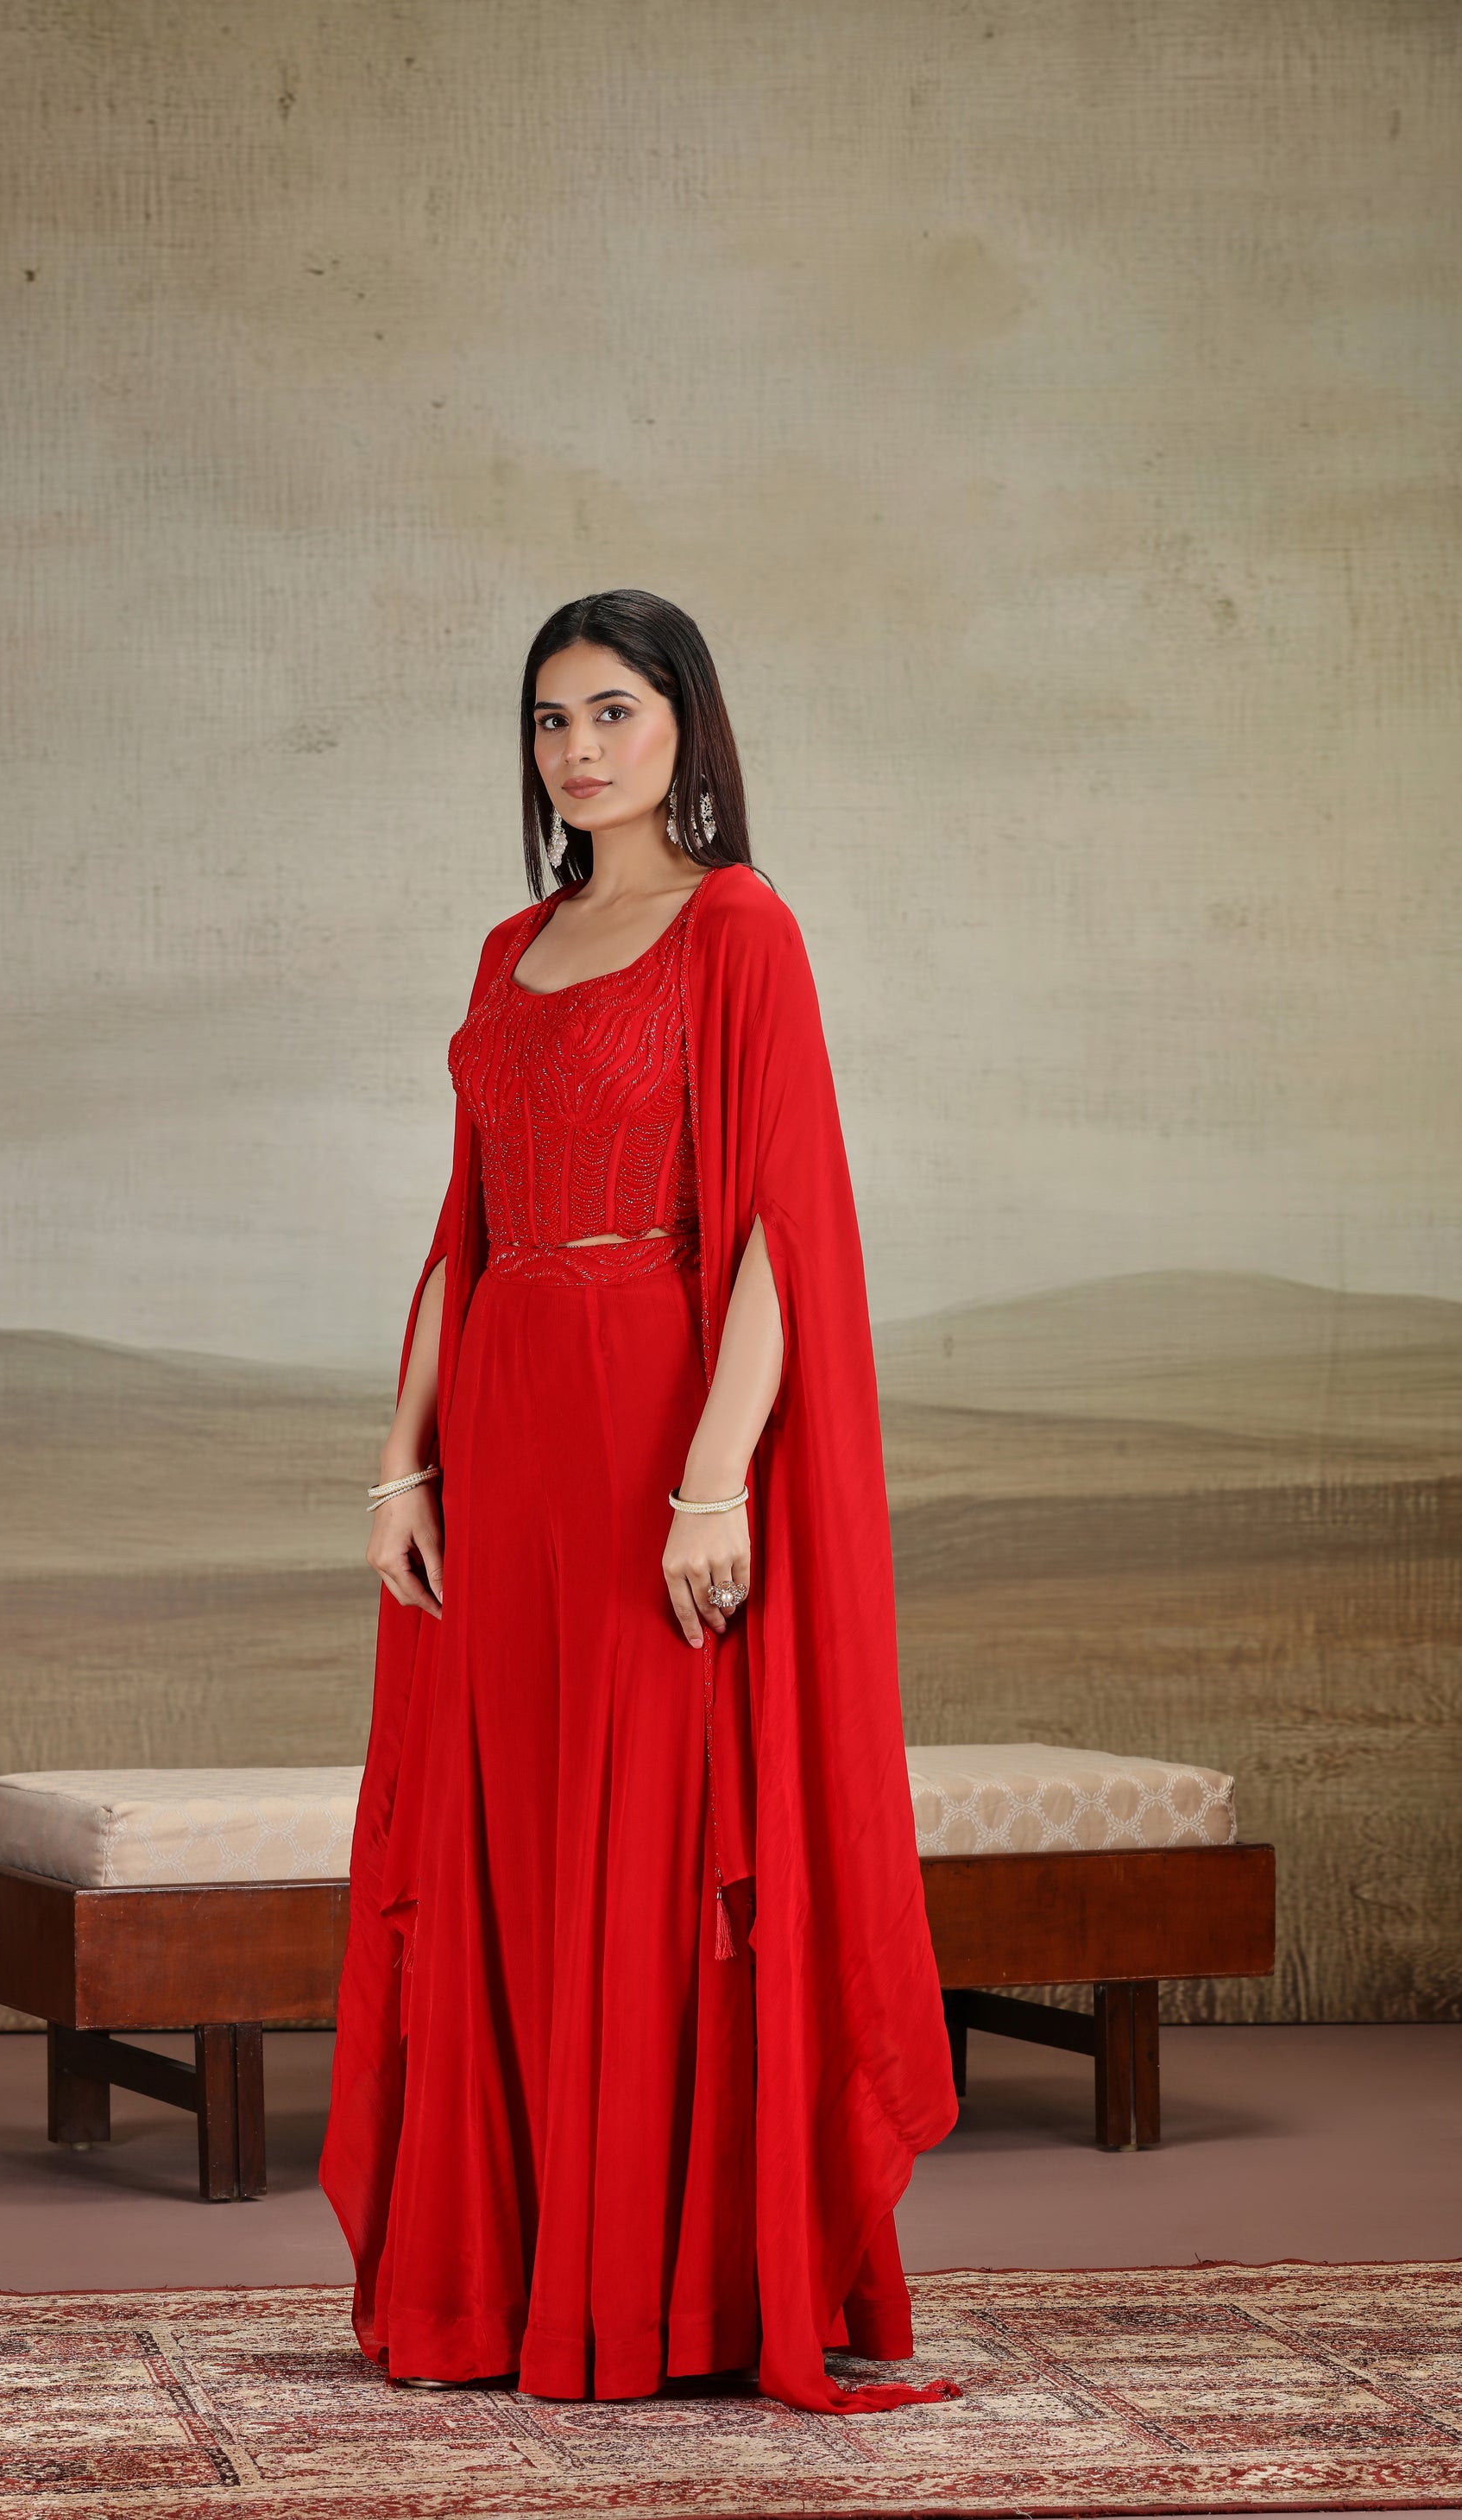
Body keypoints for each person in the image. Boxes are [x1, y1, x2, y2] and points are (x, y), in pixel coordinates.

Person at [319, 588, 959, 2415]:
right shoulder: (505, 947)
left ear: (684, 722)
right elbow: (461, 1232)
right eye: (550, 719)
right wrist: (400, 1465)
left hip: (653, 1429)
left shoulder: (740, 928)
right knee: (507, 1846)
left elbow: (781, 1232)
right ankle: (508, 2279)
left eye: (612, 710)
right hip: (502, 1429)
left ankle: (657, 2294)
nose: (578, 749)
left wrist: (710, 1481)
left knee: (655, 1845)